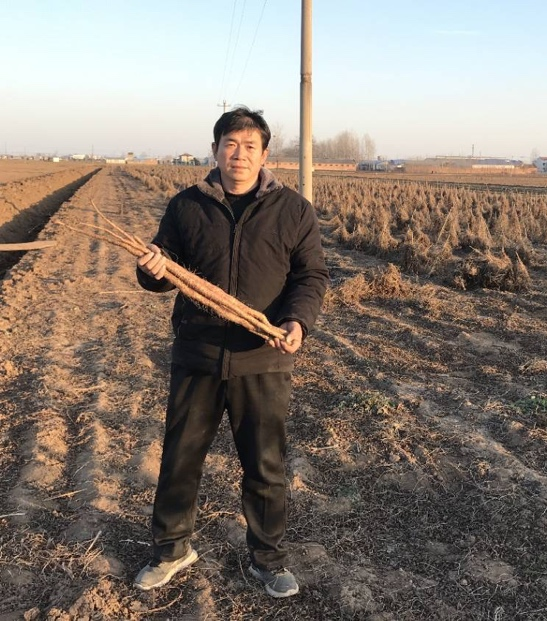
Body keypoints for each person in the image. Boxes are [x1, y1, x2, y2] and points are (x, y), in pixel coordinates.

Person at [133, 106, 329, 598]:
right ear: (215, 150)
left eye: (249, 146)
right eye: (230, 144)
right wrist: (152, 270)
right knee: (180, 458)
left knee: (265, 465)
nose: (239, 154)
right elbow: (161, 270)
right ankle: (171, 550)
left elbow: (311, 275)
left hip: (263, 356)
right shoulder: (186, 206)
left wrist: (297, 320)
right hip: (197, 352)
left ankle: (268, 558)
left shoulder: (292, 210)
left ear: (265, 155)